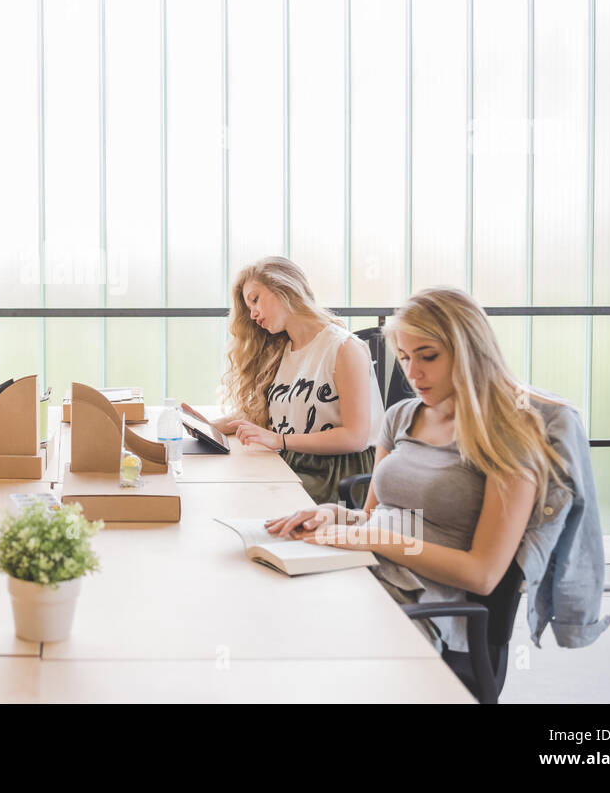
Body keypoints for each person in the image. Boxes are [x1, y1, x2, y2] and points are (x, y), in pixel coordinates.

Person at [264, 286, 576, 654]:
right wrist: (332, 514)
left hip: (420, 603)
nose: (414, 374)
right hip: (365, 567)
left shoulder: (509, 435)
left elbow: (483, 575)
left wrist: (372, 539)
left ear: (470, 351)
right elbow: (373, 517)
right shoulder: (402, 417)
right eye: (404, 357)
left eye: (428, 356)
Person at [204, 256, 384, 504]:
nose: (253, 314)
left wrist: (279, 440)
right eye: (248, 308)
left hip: (336, 473)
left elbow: (355, 437)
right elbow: (267, 416)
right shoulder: (281, 350)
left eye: (255, 300)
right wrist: (203, 426)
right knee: (228, 486)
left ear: (284, 287)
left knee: (242, 497)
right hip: (291, 460)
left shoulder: (344, 348)